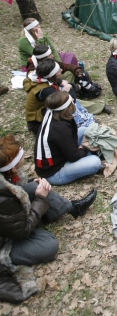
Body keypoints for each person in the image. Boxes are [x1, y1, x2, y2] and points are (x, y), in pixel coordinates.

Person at [0, 135, 96, 301]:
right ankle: (35, 229)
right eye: (21, 156)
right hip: (6, 242)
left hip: (12, 221)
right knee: (49, 245)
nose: (25, 156)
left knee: (35, 186)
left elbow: (17, 191)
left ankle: (74, 208)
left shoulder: (7, 179)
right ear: (13, 166)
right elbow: (21, 232)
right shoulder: (3, 197)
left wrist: (34, 187)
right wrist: (40, 199)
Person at [34, 91, 104, 185]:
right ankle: (89, 155)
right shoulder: (60, 128)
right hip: (54, 173)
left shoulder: (56, 115)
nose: (73, 101)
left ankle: (88, 154)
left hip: (62, 156)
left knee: (84, 130)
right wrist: (82, 149)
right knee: (95, 162)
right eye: (71, 101)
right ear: (67, 107)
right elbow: (73, 156)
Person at [27, 44, 110, 113]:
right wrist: (68, 88)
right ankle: (98, 107)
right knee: (68, 100)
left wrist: (76, 70)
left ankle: (81, 90)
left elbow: (64, 66)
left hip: (54, 87)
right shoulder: (35, 74)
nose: (52, 56)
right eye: (50, 55)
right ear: (43, 58)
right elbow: (61, 99)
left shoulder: (47, 67)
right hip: (46, 107)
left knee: (69, 73)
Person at [24, 58, 75, 134]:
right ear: (51, 75)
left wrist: (65, 84)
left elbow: (59, 81)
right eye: (58, 70)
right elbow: (67, 101)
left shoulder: (40, 78)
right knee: (68, 106)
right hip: (37, 123)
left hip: (40, 113)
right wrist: (69, 86)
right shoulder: (46, 90)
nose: (61, 70)